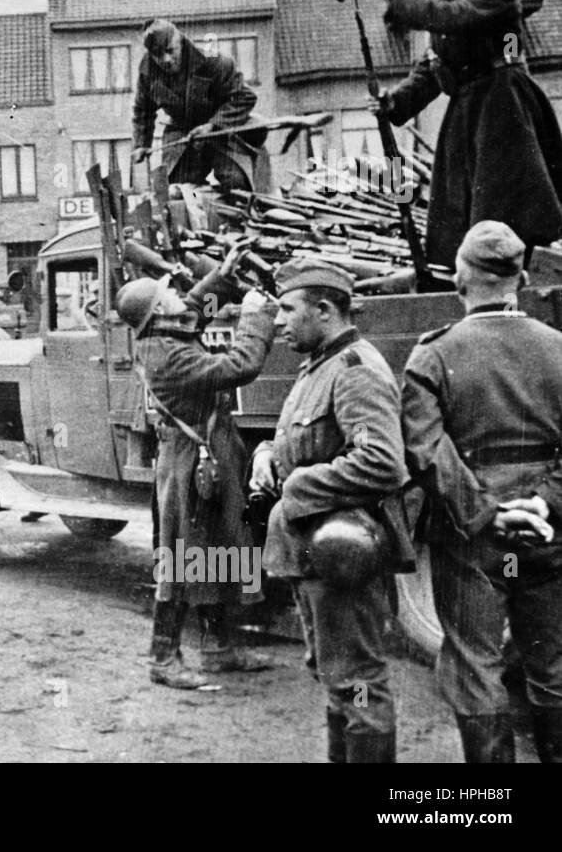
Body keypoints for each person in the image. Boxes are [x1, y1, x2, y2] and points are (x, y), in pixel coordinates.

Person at [401, 221, 562, 763]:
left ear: (461, 277)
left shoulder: (432, 355)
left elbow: (425, 451)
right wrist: (544, 501)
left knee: (476, 667)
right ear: (519, 276)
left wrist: (485, 513)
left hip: (470, 536)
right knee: (554, 667)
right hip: (548, 532)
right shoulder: (558, 349)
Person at [250, 260, 415, 762]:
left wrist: (298, 484)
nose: (278, 321)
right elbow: (313, 439)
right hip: (316, 556)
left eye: (286, 309)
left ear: (323, 310)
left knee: (359, 683)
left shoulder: (354, 371)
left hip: (343, 557)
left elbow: (381, 461)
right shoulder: (321, 365)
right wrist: (266, 454)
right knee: (336, 676)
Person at [360, 0, 562, 268]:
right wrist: (393, 101)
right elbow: (433, 67)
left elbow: (453, 17)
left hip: (504, 108)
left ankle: (517, 281)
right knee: (457, 215)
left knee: (504, 211)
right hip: (469, 110)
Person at [116, 243, 277, 689]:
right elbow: (240, 364)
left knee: (217, 550)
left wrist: (222, 277)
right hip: (191, 464)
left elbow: (194, 309)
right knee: (185, 561)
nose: (177, 294)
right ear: (156, 312)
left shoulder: (165, 334)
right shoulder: (168, 354)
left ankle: (219, 648)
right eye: (167, 292)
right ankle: (162, 658)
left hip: (203, 456)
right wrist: (255, 314)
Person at [130, 18, 268, 195]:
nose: (166, 59)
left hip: (222, 131)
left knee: (236, 183)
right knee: (174, 191)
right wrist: (141, 144)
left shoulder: (214, 62)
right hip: (183, 134)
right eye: (158, 55)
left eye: (170, 51)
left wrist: (212, 125)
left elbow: (244, 97)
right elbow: (143, 110)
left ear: (179, 40)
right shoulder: (148, 73)